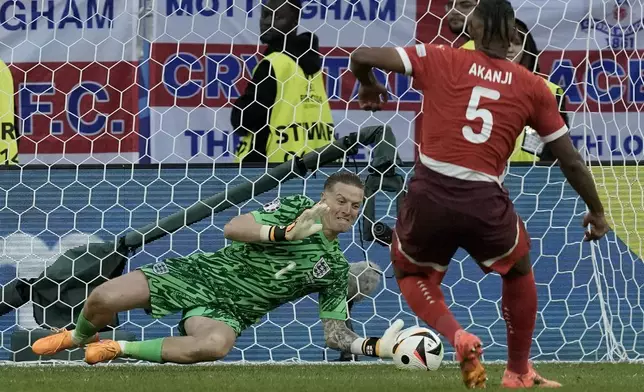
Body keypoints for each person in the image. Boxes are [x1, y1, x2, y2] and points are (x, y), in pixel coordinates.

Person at [349, 0, 609, 388]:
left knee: (411, 272)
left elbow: (361, 55)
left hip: (430, 192)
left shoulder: (437, 57)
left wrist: (368, 84)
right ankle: (518, 371)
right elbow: (570, 161)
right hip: (484, 200)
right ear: (512, 38)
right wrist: (597, 211)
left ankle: (457, 336)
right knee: (519, 270)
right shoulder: (534, 86)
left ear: (473, 31)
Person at [31, 172, 405, 365]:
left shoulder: (336, 268)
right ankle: (80, 337)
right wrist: (284, 233)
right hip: (199, 274)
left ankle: (117, 348)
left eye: (356, 206)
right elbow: (233, 228)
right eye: (342, 200)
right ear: (325, 198)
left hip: (230, 311)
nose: (348, 210)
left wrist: (374, 346)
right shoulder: (294, 207)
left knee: (214, 346)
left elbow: (334, 334)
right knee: (103, 296)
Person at [231, 0, 335, 163]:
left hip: (272, 169)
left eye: (277, 16)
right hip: (315, 166)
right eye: (265, 15)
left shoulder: (274, 63)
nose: (267, 22)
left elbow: (243, 120)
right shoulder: (313, 64)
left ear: (294, 21)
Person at [462, 18, 569, 164]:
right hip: (478, 175)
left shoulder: (549, 91)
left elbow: (556, 150)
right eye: (503, 42)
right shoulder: (469, 85)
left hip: (533, 179)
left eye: (517, 43)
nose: (510, 48)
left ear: (527, 48)